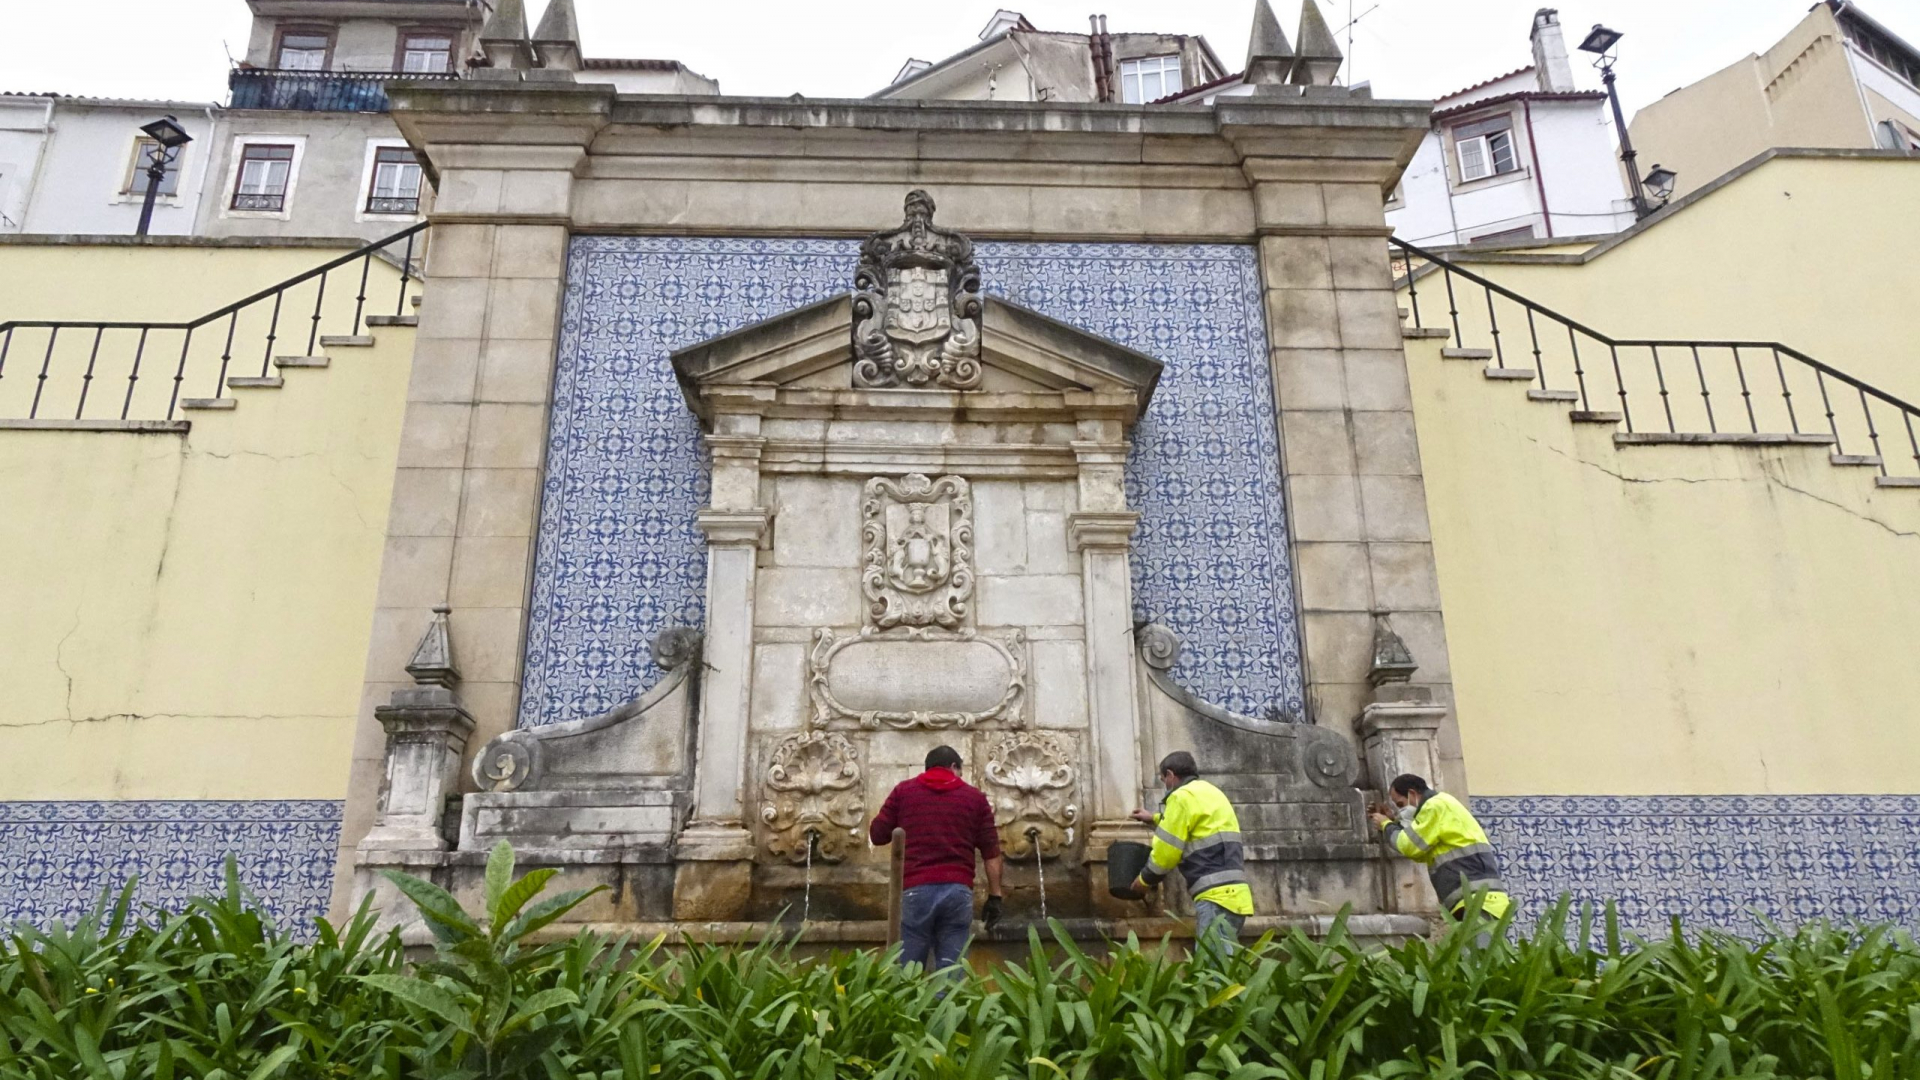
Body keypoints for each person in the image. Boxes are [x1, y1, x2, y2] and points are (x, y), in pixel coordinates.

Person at [869, 745, 1005, 976]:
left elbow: (877, 835)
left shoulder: (904, 792)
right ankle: (948, 1011)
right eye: (960, 772)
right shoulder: (975, 798)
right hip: (957, 891)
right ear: (954, 767)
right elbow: (991, 853)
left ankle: (910, 1008)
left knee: (908, 972)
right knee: (951, 972)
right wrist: (995, 897)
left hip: (916, 891)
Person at [1120, 751, 1254, 962]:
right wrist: (1154, 818)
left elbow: (1166, 854)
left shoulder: (1180, 798)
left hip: (1214, 899)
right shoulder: (1212, 792)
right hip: (1238, 897)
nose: (1164, 783)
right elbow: (1193, 823)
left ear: (1171, 775)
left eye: (1163, 779)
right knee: (1225, 968)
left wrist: (1144, 880)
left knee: (1212, 971)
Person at [1368, 773, 1513, 926]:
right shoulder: (1442, 804)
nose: (1401, 811)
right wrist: (1394, 823)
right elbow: (1421, 852)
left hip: (1478, 901)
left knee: (1479, 950)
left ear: (1412, 794)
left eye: (1401, 805)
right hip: (1475, 900)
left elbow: (1410, 846)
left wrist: (1386, 826)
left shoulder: (1434, 806)